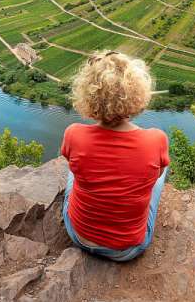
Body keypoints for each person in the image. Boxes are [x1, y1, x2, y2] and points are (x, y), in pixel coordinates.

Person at [61, 50, 170, 262]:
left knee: (74, 173)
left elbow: (72, 164)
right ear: (137, 92)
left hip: (78, 235)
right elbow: (157, 175)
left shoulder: (74, 134)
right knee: (159, 175)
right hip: (126, 250)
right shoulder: (156, 140)